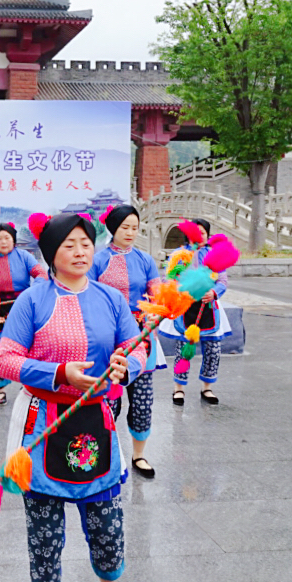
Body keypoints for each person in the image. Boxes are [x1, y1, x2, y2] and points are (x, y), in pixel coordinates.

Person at [0, 213, 144, 582]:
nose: (80, 252)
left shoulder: (111, 298)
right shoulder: (31, 301)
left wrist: (126, 366)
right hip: (43, 422)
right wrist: (59, 373)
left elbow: (137, 347)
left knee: (106, 519)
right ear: (51, 253)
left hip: (96, 420)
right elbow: (7, 360)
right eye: (69, 245)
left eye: (86, 243)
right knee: (44, 524)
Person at [91, 204, 165, 477]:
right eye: (125, 227)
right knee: (108, 401)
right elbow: (88, 297)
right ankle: (107, 454)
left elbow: (157, 294)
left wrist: (155, 313)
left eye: (135, 228)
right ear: (113, 228)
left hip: (142, 336)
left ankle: (139, 455)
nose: (131, 232)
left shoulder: (145, 260)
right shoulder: (97, 260)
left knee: (143, 400)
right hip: (108, 338)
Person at [157, 218, 232, 408]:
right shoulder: (178, 255)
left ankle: (207, 387)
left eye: (203, 233)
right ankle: (178, 388)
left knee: (213, 350)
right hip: (185, 308)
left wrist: (213, 292)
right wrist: (179, 289)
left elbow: (222, 280)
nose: (199, 236)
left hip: (209, 308)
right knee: (183, 350)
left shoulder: (214, 254)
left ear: (208, 235)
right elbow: (168, 279)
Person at [0, 221, 45, 405]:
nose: (4, 242)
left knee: (28, 348)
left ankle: (27, 387)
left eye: (7, 238)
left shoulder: (25, 257)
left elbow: (41, 275)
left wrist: (30, 295)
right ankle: (0, 390)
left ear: (13, 240)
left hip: (23, 305)